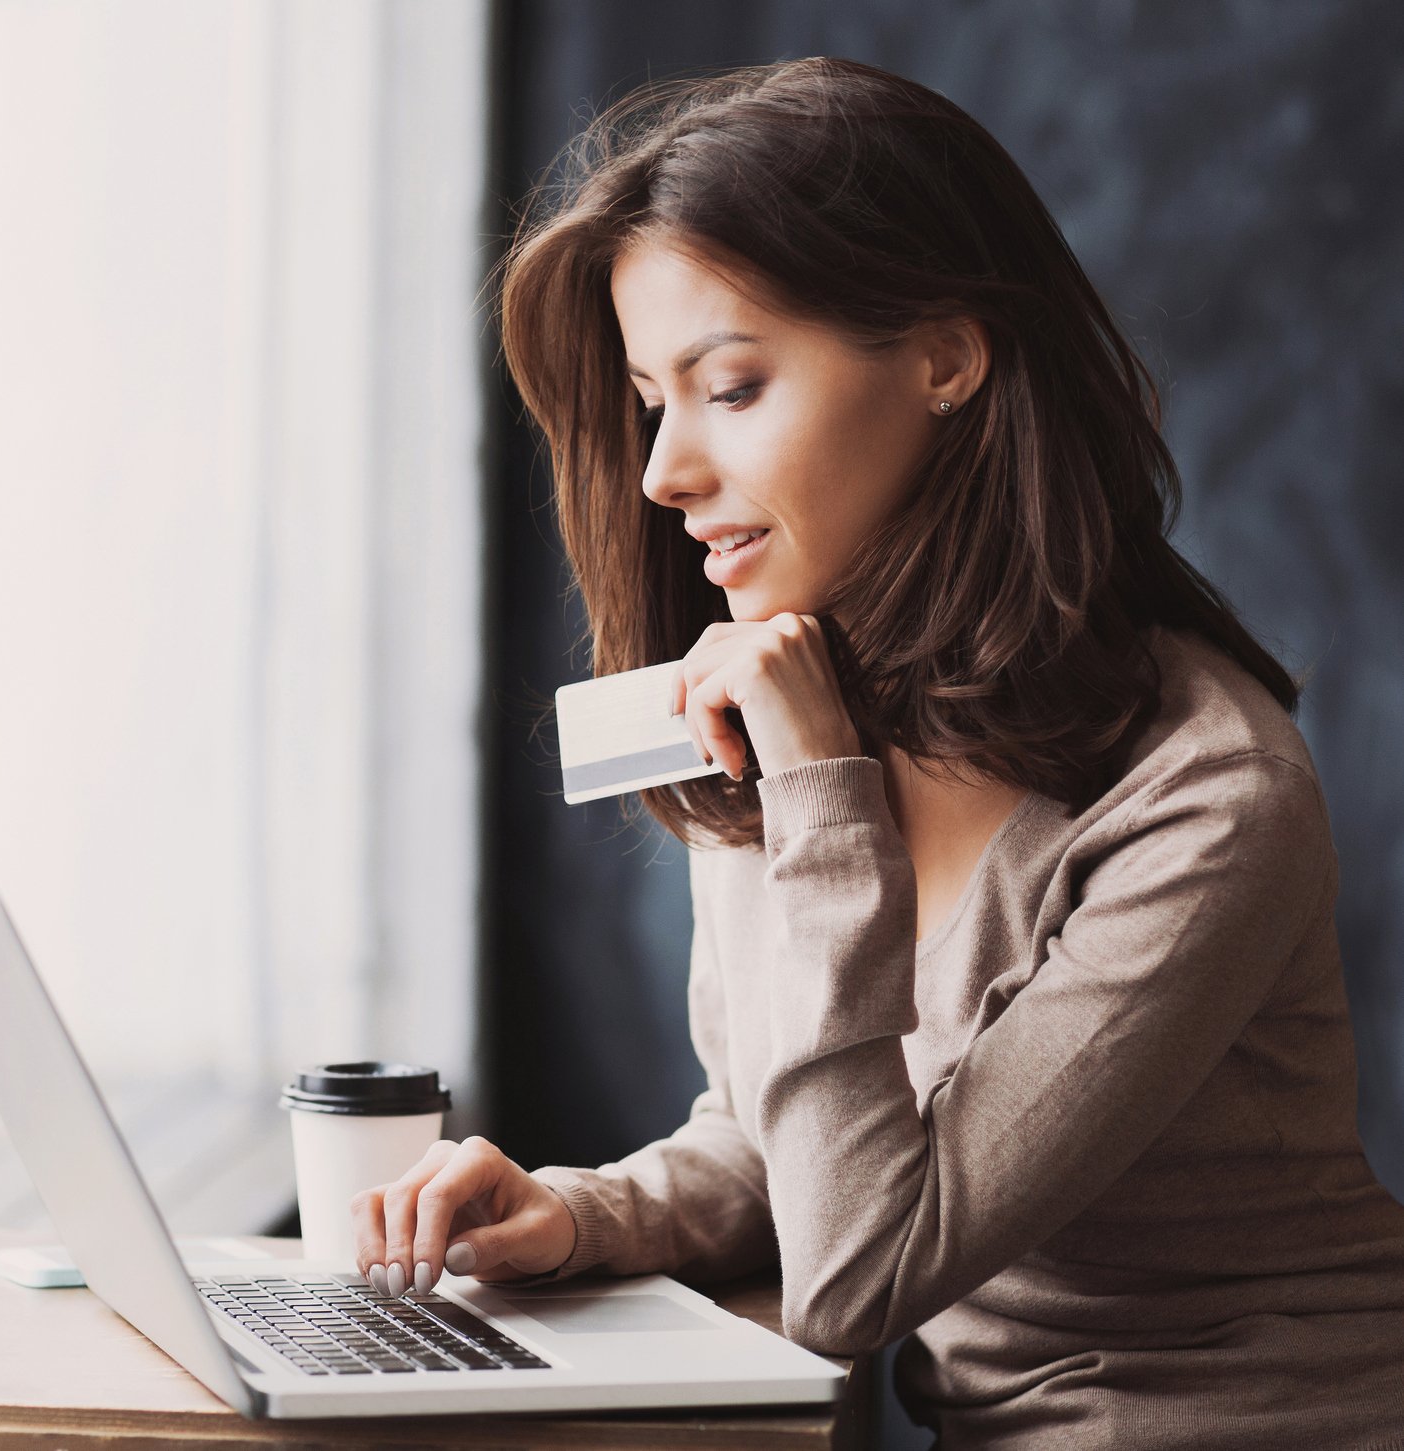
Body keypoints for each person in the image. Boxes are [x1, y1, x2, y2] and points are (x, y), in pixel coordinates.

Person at [351, 56, 1404, 1447]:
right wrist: (582, 1213)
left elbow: (857, 1270)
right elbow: (787, 1138)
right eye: (645, 400)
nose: (662, 470)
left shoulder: (1207, 799)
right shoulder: (794, 700)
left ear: (945, 358)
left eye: (728, 386)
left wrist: (817, 798)